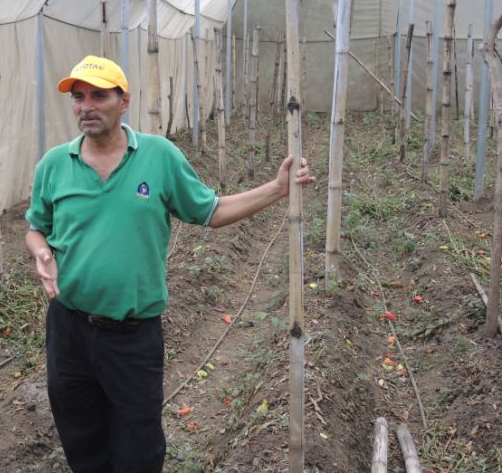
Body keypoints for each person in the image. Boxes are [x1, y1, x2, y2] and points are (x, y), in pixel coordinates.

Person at [25, 55, 315, 472]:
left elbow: (211, 211)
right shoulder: (55, 164)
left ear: (123, 102)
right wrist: (40, 250)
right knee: (80, 440)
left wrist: (277, 188)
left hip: (131, 336)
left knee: (138, 448)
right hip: (68, 330)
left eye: (98, 96)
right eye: (78, 97)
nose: (86, 106)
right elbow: (36, 226)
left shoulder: (158, 157)